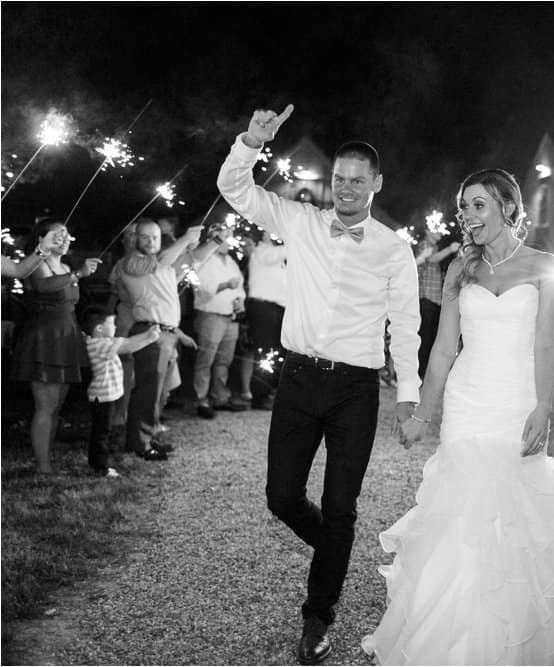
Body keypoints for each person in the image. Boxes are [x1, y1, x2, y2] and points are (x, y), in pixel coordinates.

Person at [362, 168, 554, 665]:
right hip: (467, 400)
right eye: (464, 207)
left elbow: (546, 344)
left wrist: (543, 406)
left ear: (507, 205)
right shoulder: (461, 269)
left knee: (517, 517)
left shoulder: (546, 266)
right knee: (463, 514)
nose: (468, 216)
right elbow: (442, 350)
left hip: (516, 400)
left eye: (478, 205)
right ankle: (455, 642)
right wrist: (423, 413)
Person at [217, 104, 421, 666]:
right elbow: (235, 189)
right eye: (340, 179)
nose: (347, 188)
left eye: (359, 180)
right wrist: (250, 142)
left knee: (340, 508)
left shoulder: (392, 248)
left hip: (356, 389)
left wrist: (408, 397)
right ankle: (334, 552)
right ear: (331, 182)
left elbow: (406, 324)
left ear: (376, 184)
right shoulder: (299, 220)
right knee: (281, 497)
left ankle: (318, 617)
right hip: (299, 378)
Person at [13, 219, 101, 474]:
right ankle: (42, 465)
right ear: (42, 238)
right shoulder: (36, 263)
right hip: (44, 339)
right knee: (45, 404)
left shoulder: (63, 265)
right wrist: (79, 274)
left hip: (66, 337)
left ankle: (46, 459)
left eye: (66, 234)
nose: (64, 239)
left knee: (57, 405)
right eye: (58, 234)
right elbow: (44, 286)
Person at [118, 218, 207, 461]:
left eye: (155, 237)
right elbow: (164, 259)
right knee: (147, 390)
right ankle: (139, 443)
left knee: (157, 392)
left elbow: (193, 260)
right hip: (149, 334)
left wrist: (217, 240)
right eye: (145, 236)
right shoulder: (130, 263)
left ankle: (149, 437)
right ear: (135, 238)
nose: (151, 241)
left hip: (166, 334)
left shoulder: (163, 267)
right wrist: (186, 239)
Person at [81, 307, 160, 478]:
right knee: (101, 433)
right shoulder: (99, 345)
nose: (116, 327)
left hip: (104, 396)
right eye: (112, 324)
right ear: (99, 329)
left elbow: (128, 344)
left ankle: (98, 463)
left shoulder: (100, 343)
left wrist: (148, 337)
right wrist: (148, 336)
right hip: (101, 398)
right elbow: (127, 345)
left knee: (102, 431)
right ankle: (100, 467)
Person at [191, 222, 249, 418]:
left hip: (230, 317)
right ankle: (201, 399)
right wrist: (225, 285)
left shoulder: (231, 261)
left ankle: (219, 397)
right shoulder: (204, 260)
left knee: (224, 360)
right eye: (224, 238)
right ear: (212, 240)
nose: (228, 242)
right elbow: (203, 289)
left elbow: (239, 286)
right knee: (205, 360)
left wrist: (240, 300)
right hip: (211, 316)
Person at [244, 230, 288, 409]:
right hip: (263, 308)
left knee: (276, 353)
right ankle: (259, 396)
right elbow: (287, 250)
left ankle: (270, 391)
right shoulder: (261, 252)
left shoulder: (277, 258)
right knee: (265, 352)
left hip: (277, 309)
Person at [414, 225, 460, 378]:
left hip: (434, 300)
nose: (440, 231)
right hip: (425, 298)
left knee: (431, 338)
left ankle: (425, 371)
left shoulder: (433, 246)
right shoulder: (425, 245)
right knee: (424, 337)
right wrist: (450, 249)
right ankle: (420, 373)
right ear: (428, 231)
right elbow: (431, 259)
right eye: (436, 228)